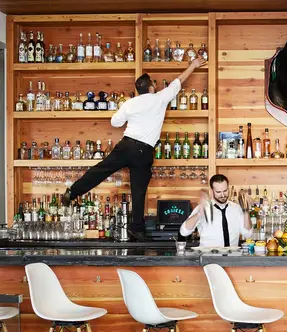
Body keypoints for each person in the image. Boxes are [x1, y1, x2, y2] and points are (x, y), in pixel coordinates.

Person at [61, 58, 207, 241]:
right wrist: (193, 65)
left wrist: (130, 114)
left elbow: (115, 122)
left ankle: (72, 192)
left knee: (100, 170)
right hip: (143, 151)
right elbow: (178, 82)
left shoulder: (130, 104)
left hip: (126, 145)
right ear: (151, 88)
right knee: (138, 191)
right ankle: (137, 229)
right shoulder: (159, 98)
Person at [180, 174, 253, 247]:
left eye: (225, 191)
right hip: (208, 253)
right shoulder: (203, 207)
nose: (222, 195)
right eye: (218, 192)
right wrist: (199, 213)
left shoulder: (236, 208)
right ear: (212, 191)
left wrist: (246, 211)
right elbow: (184, 232)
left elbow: (248, 234)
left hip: (232, 253)